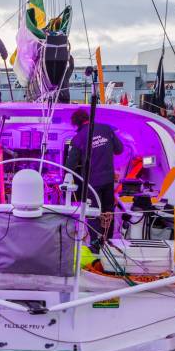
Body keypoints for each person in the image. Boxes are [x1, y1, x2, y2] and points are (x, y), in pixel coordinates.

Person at [65, 107, 124, 252]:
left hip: (92, 184)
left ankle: (97, 246)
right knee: (107, 212)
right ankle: (108, 243)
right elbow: (119, 149)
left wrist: (68, 177)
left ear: (76, 124)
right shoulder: (106, 129)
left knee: (93, 213)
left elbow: (70, 165)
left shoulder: (78, 138)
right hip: (108, 180)